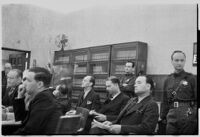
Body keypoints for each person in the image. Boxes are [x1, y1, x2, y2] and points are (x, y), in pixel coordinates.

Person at [90, 75, 159, 135]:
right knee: (95, 128)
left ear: (148, 86)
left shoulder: (151, 104)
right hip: (121, 130)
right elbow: (122, 118)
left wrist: (121, 128)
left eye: (139, 83)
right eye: (135, 83)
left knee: (96, 131)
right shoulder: (133, 100)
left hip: (129, 133)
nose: (135, 85)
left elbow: (147, 128)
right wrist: (111, 123)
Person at [13, 67, 62, 135]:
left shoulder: (44, 100)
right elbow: (22, 121)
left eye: (28, 80)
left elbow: (29, 131)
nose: (23, 83)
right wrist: (20, 97)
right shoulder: (44, 97)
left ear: (40, 84)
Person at [160, 50, 197, 135]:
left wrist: (194, 115)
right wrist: (163, 116)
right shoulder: (168, 80)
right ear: (172, 61)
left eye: (182, 60)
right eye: (176, 60)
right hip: (171, 113)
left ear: (185, 61)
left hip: (188, 113)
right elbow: (164, 100)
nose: (179, 63)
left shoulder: (191, 78)